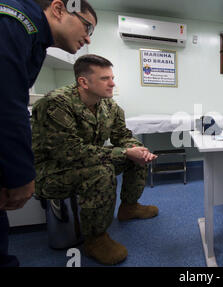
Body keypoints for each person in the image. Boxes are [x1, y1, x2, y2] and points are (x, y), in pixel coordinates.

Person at [31, 54, 159, 265]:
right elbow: (70, 152)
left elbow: (122, 135)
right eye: (104, 78)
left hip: (89, 159)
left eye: (112, 77)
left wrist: (135, 149)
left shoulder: (109, 106)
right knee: (102, 171)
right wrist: (125, 152)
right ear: (84, 82)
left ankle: (129, 207)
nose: (112, 83)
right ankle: (96, 239)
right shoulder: (56, 104)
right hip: (53, 170)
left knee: (136, 156)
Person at [0, 0, 97, 267]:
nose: (88, 37)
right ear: (58, 9)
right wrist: (20, 175)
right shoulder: (14, 22)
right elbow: (7, 102)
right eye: (87, 26)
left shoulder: (35, 40)